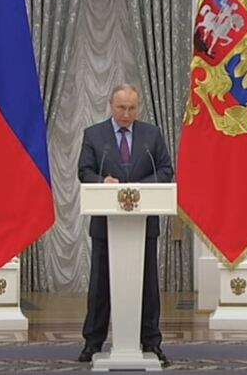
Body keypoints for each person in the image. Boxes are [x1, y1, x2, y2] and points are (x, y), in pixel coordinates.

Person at [76, 83, 173, 366]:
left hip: (143, 224)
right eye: (121, 108)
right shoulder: (94, 135)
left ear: (138, 107)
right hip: (106, 224)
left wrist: (141, 187)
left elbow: (165, 169)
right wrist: (102, 181)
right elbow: (84, 171)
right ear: (111, 105)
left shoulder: (151, 135)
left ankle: (151, 342)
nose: (126, 114)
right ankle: (92, 342)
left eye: (132, 108)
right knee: (100, 286)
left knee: (148, 285)